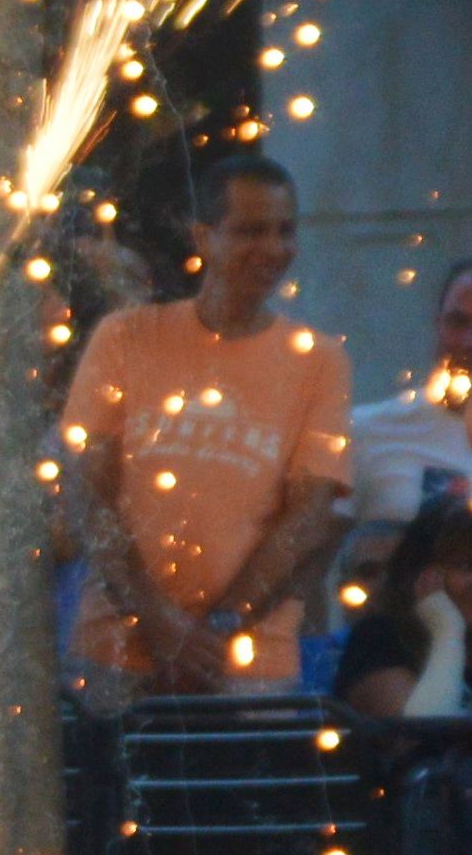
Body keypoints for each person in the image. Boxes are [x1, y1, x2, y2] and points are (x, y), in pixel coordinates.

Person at [60, 152, 353, 700]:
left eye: (284, 232)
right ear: (204, 238)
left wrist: (215, 630)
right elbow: (87, 491)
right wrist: (158, 621)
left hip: (248, 665)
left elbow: (308, 516)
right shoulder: (126, 338)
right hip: (116, 652)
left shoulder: (319, 361)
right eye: (249, 232)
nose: (273, 250)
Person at [339, 257, 472, 583]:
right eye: (459, 323)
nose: (469, 342)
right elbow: (312, 562)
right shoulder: (369, 431)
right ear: (438, 324)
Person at [334, 500, 472, 720]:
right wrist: (447, 630)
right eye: (465, 566)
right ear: (422, 574)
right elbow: (414, 734)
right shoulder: (378, 638)